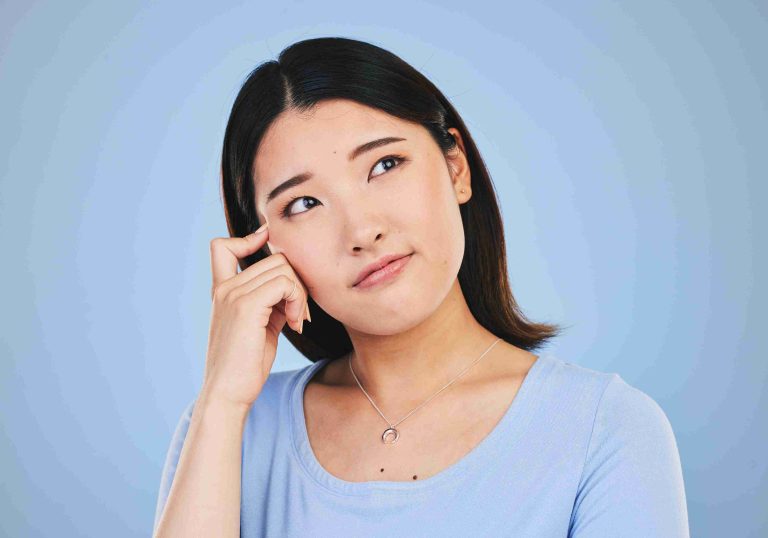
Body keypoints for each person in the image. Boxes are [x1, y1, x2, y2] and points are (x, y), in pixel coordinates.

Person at [152, 37, 689, 537]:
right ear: (265, 248)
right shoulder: (229, 428)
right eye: (304, 204)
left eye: (385, 164)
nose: (362, 231)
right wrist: (221, 400)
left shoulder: (603, 429)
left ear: (456, 166)